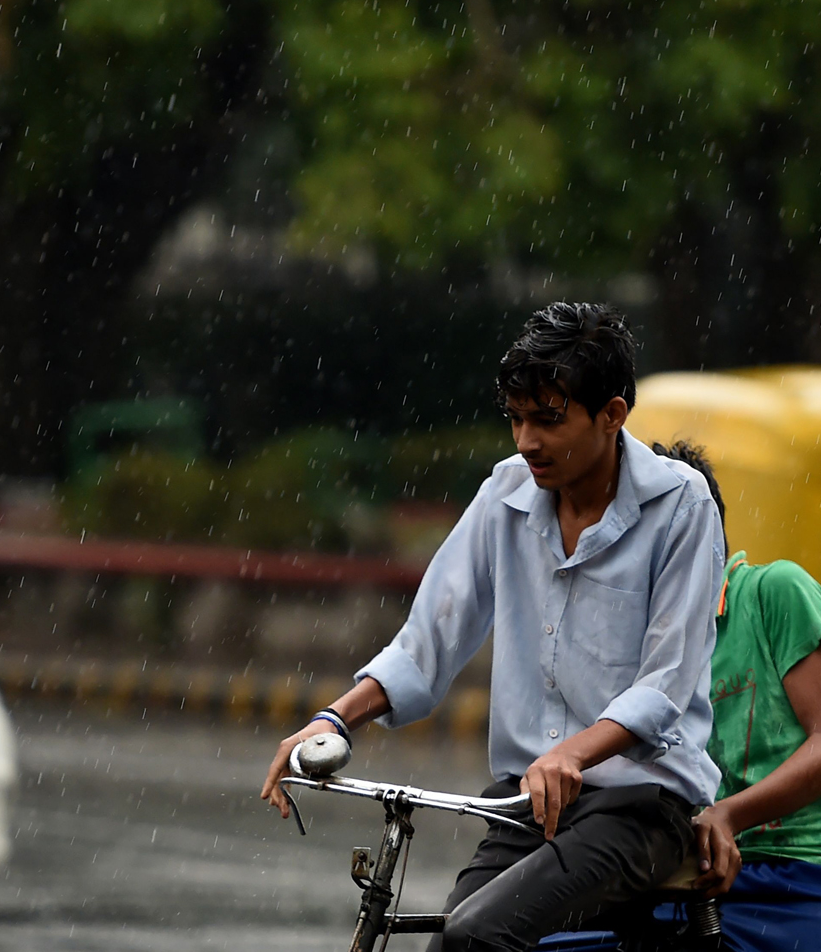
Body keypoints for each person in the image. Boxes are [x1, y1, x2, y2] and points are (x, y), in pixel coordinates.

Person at [260, 304, 725, 952]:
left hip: (641, 807)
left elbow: (666, 683)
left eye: (548, 419)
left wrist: (573, 752)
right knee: (448, 940)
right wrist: (332, 721)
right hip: (524, 804)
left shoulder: (681, 505)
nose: (525, 441)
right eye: (516, 418)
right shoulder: (504, 496)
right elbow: (428, 643)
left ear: (613, 416)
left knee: (475, 938)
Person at [652, 442, 821, 952]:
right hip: (698, 875)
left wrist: (727, 815)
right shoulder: (645, 646)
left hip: (816, 872)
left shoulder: (774, 593)